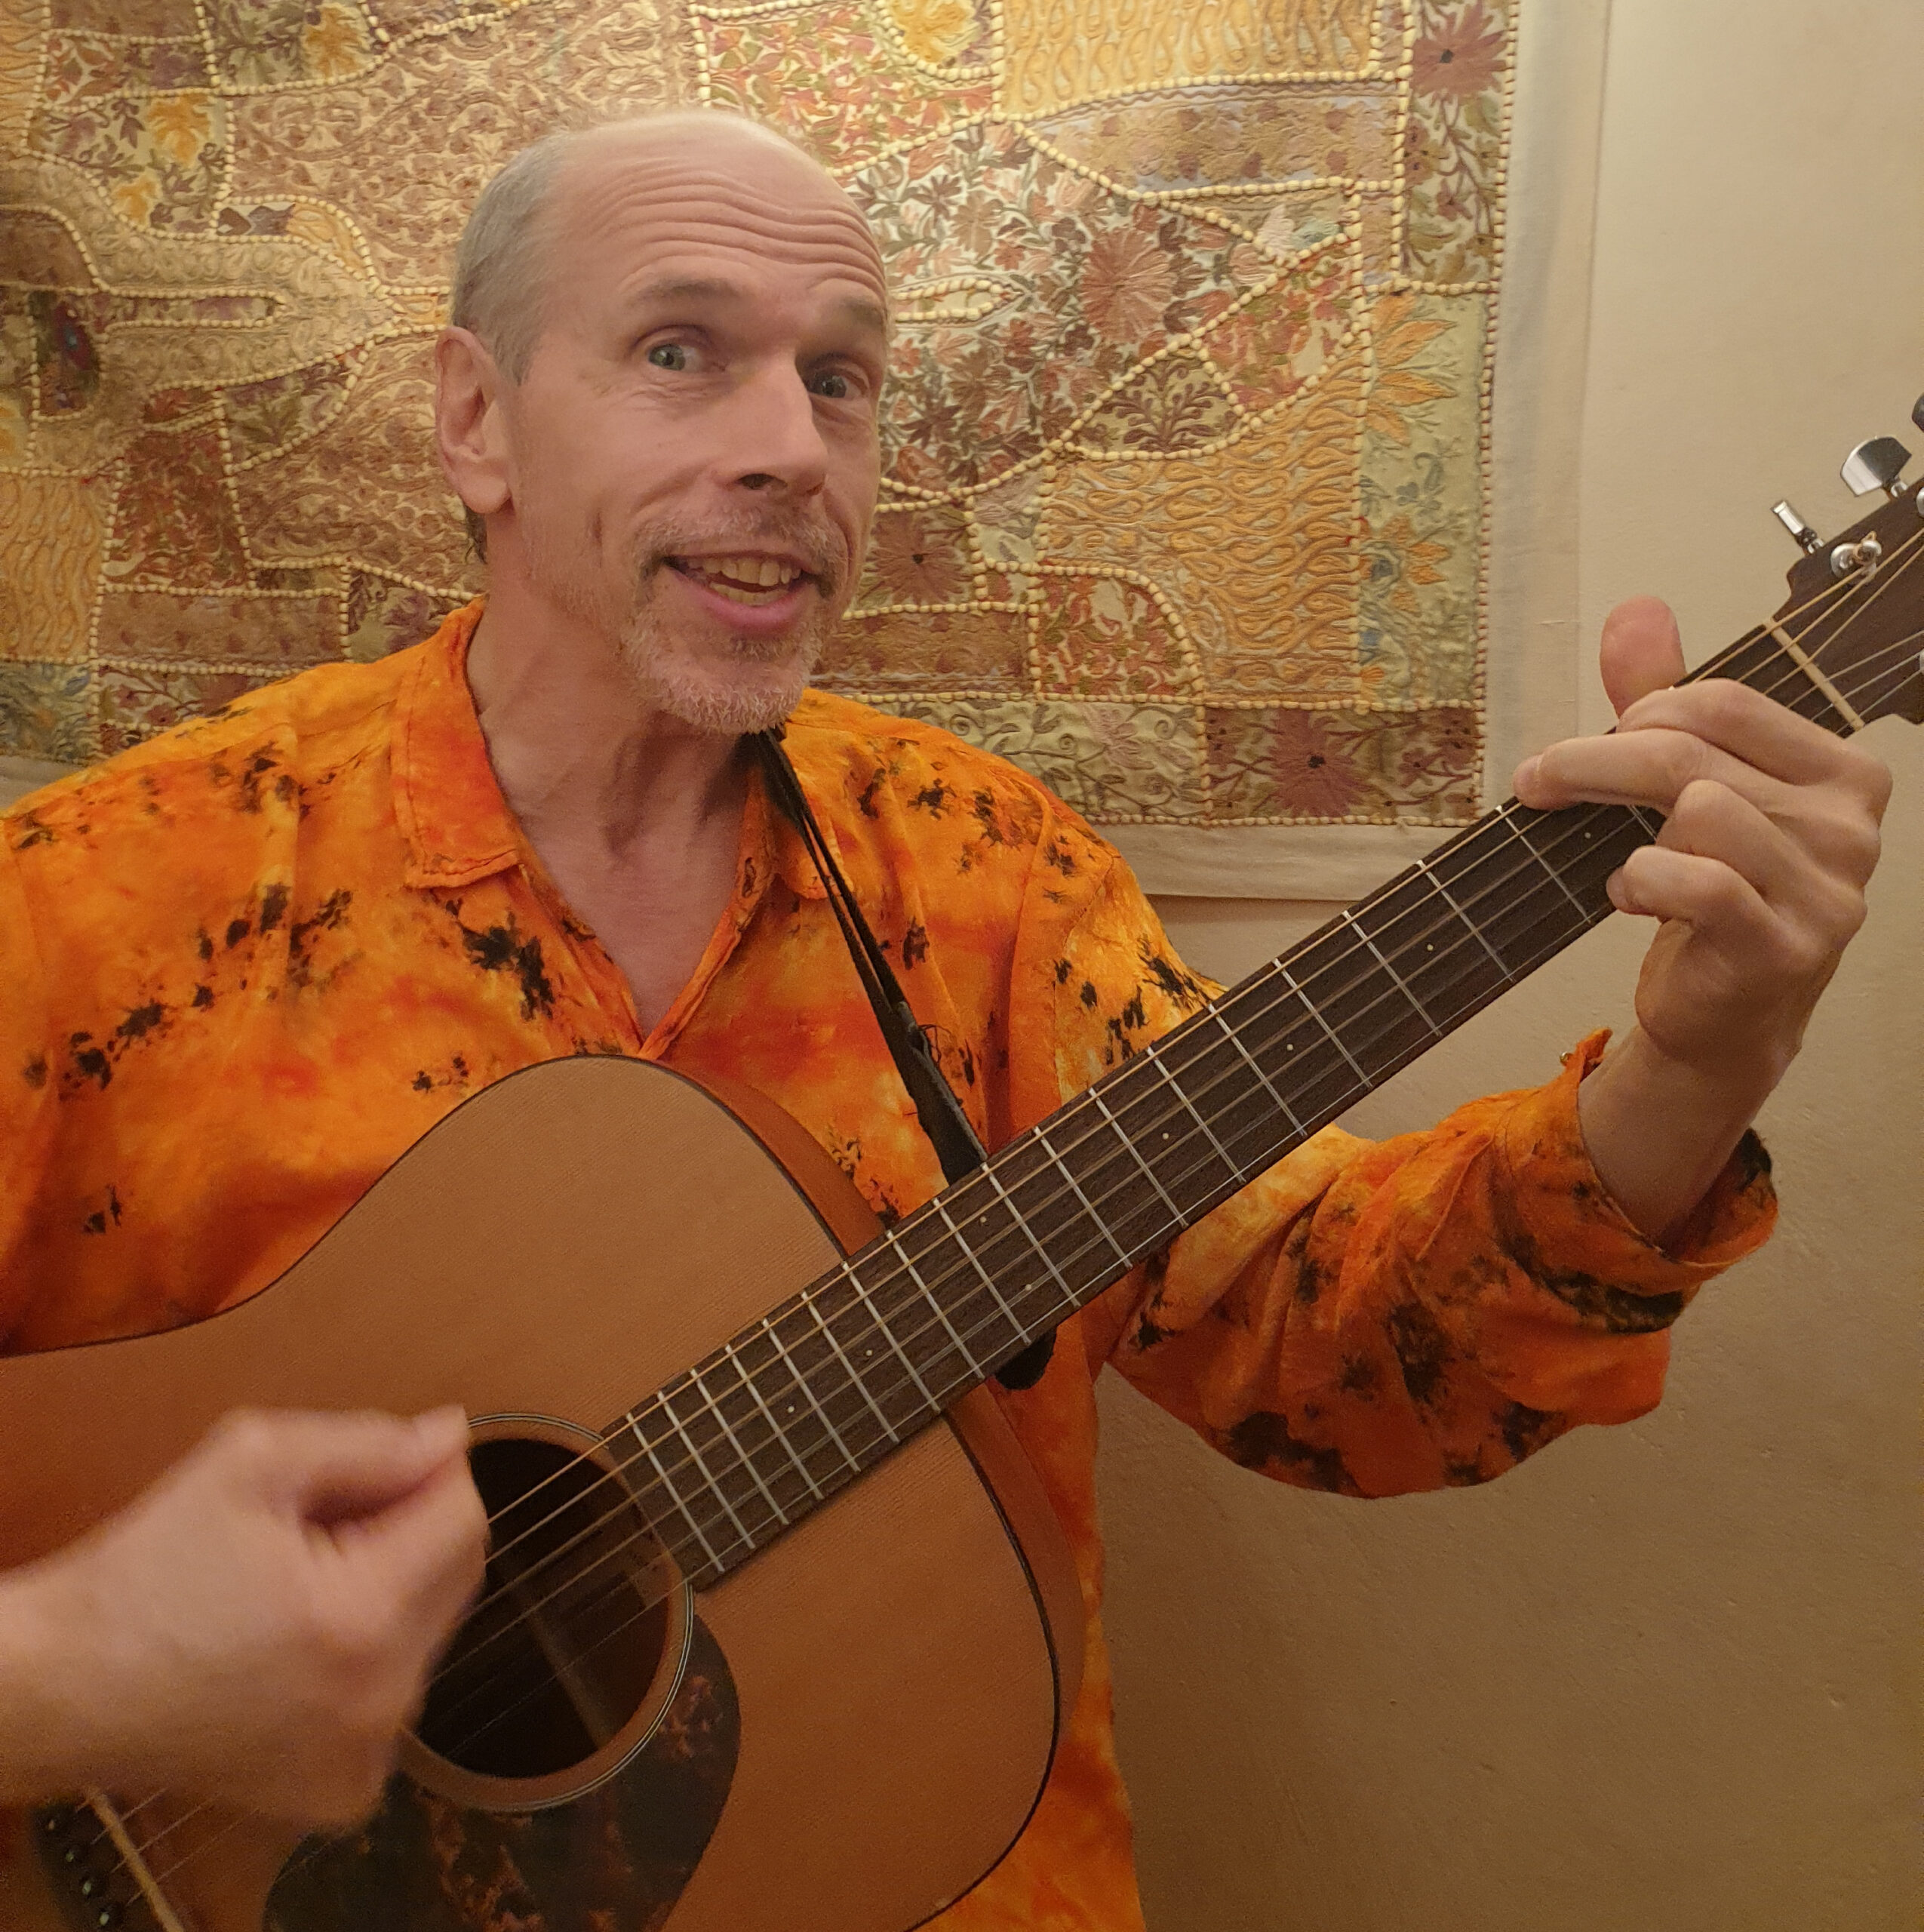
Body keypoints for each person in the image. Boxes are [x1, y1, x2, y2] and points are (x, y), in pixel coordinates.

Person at [0, 111, 1889, 1928]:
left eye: (840, 378)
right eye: (681, 351)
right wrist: (78, 1669)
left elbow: (1329, 1349)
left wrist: (1695, 1066)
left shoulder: (985, 878)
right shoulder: (104, 906)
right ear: (475, 419)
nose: (790, 447)